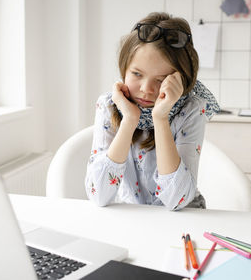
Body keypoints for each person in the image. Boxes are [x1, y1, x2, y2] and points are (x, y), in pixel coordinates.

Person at [85, 12, 219, 210]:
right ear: (124, 69)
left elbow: (177, 199)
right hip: (135, 218)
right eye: (137, 74)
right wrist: (129, 120)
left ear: (181, 79)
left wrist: (161, 118)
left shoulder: (191, 109)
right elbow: (99, 194)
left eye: (160, 79)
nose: (146, 89)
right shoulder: (110, 104)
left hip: (184, 220)